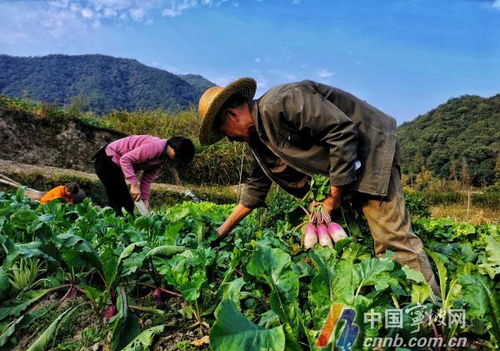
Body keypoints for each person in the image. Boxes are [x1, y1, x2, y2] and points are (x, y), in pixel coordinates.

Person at [198, 78, 440, 295]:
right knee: (359, 237)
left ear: (232, 115)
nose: (230, 139)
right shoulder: (259, 139)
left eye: (225, 133)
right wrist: (222, 231)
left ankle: (427, 308)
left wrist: (333, 196)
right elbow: (255, 188)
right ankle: (387, 292)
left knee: (391, 237)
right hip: (346, 167)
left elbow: (342, 132)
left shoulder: (282, 101)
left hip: (370, 152)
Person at [94, 135, 195, 215]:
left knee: (127, 204)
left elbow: (147, 179)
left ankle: (118, 229)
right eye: (179, 155)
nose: (178, 159)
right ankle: (111, 232)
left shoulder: (162, 158)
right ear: (174, 147)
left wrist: (145, 200)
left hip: (114, 164)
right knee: (119, 202)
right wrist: (134, 185)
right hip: (107, 160)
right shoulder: (156, 147)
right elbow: (125, 159)